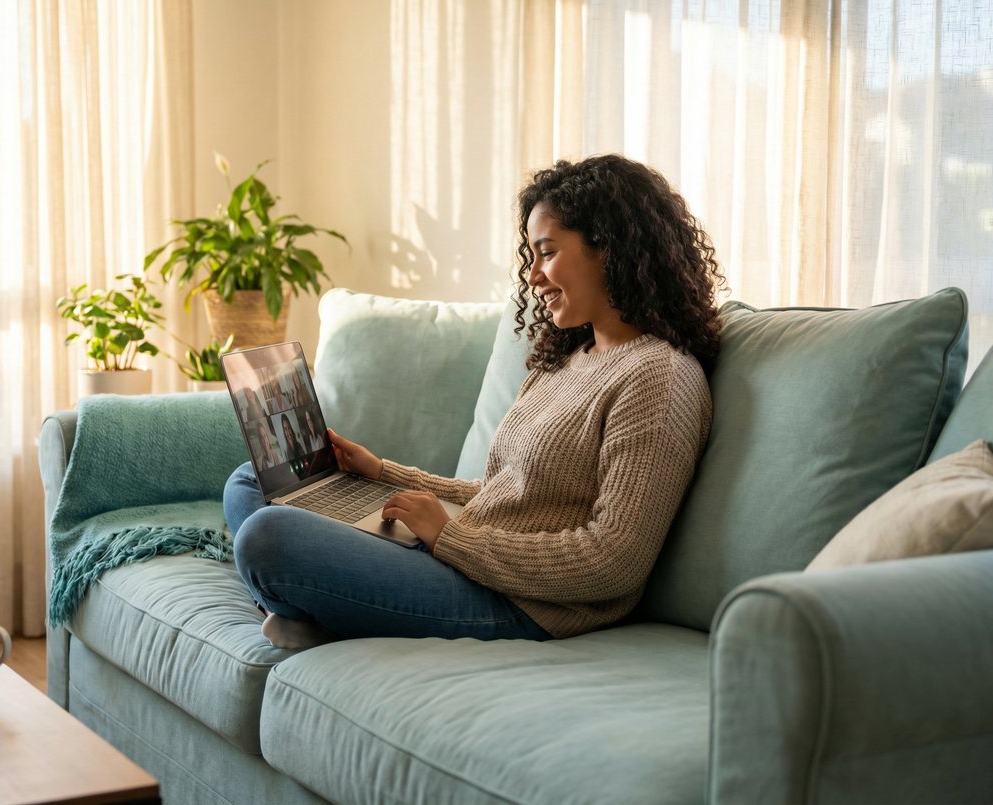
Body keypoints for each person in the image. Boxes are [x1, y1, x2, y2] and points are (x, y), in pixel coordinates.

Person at [223, 154, 722, 650]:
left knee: (269, 536)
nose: (533, 277)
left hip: (520, 603)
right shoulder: (571, 357)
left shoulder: (659, 377)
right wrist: (383, 473)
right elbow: (501, 494)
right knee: (253, 482)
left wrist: (449, 539)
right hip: (466, 558)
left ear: (610, 249)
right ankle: (313, 610)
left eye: (547, 253)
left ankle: (308, 608)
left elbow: (612, 562)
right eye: (532, 257)